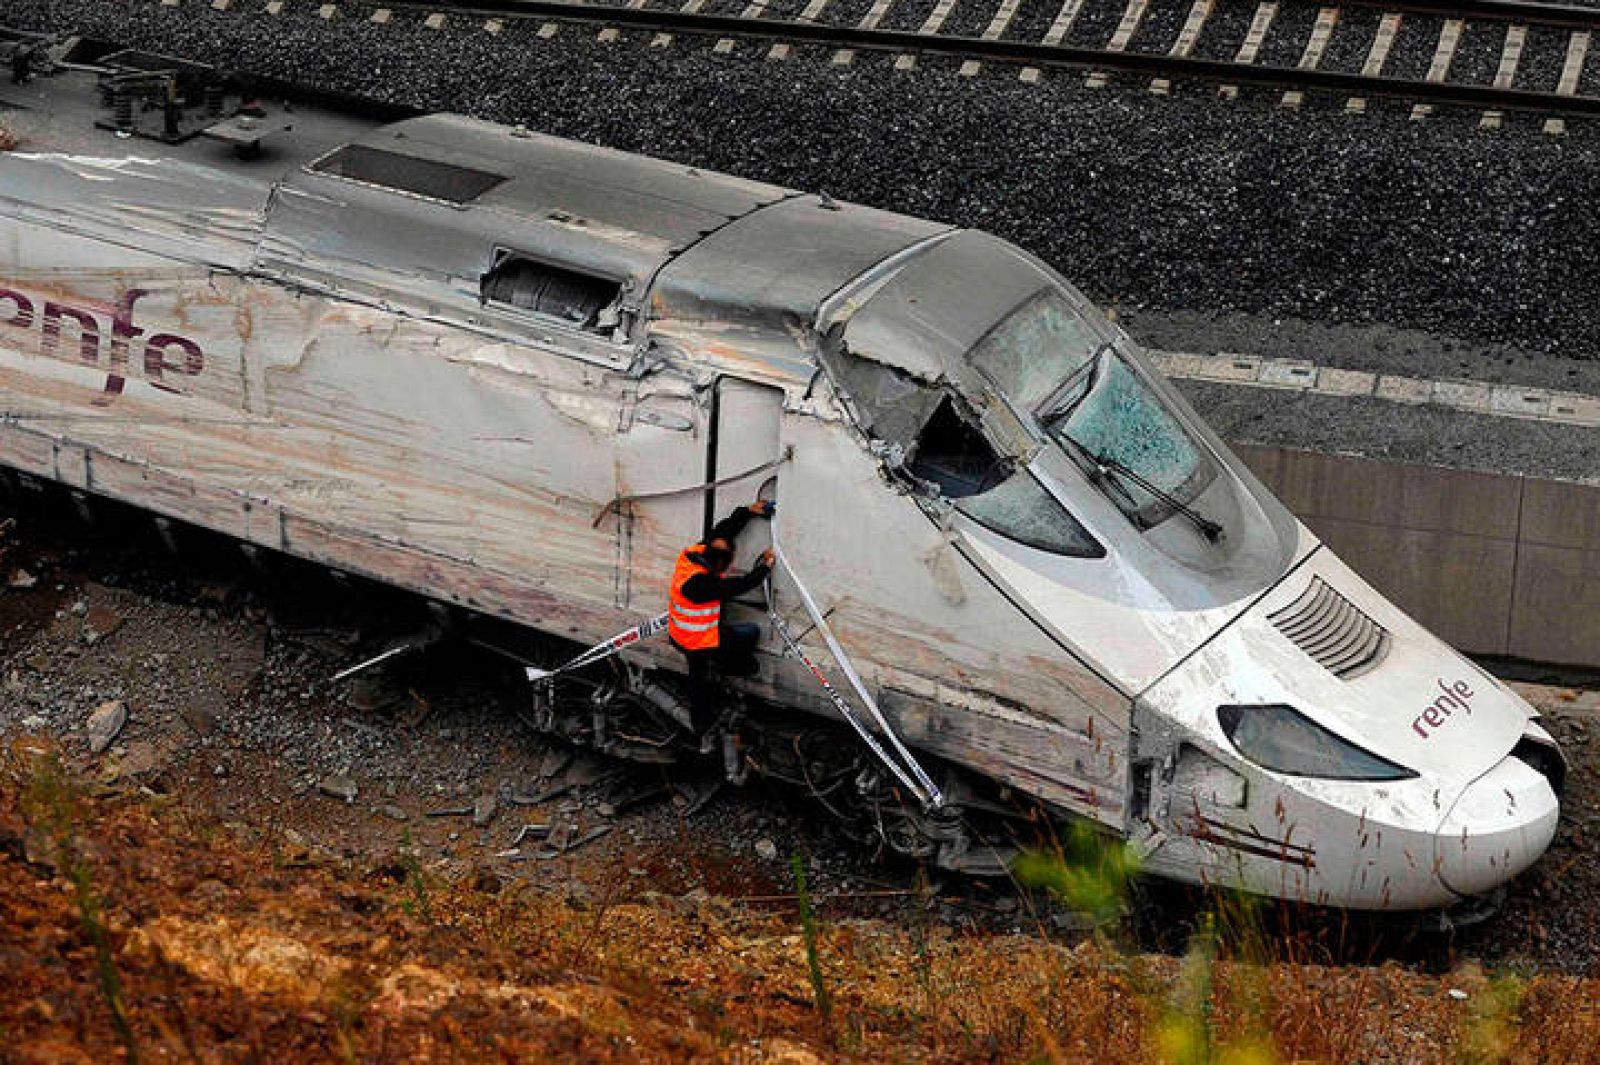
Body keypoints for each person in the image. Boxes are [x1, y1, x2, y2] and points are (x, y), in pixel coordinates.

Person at [668, 500, 775, 746]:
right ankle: (704, 721)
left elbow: (722, 532)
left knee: (698, 682)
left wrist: (746, 512)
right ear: (718, 564)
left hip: (683, 634)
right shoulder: (699, 585)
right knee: (749, 644)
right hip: (697, 643)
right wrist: (765, 567)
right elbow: (739, 586)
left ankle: (701, 723)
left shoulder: (693, 555)